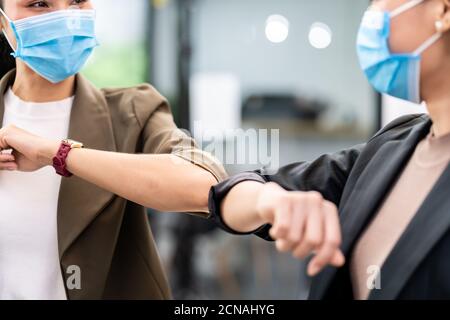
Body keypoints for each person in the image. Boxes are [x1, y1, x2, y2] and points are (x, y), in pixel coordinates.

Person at [207, 0, 450, 300]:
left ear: (443, 11)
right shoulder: (395, 145)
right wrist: (266, 200)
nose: (373, 12)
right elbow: (238, 194)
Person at [0, 0, 227, 300]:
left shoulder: (134, 111)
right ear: (3, 22)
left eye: (77, 2)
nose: (65, 17)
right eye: (39, 4)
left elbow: (205, 185)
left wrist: (57, 153)